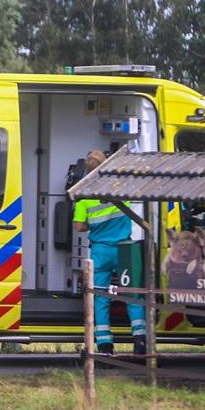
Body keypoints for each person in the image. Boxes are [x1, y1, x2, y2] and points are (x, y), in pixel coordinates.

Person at [73, 150, 147, 356]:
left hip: (100, 251)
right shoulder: (120, 188)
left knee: (100, 297)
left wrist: (95, 226)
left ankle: (105, 345)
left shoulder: (84, 196)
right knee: (132, 294)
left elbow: (79, 226)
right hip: (125, 250)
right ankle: (140, 340)